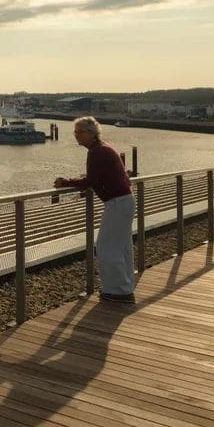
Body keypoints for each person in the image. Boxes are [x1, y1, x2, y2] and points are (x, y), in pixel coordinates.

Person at [54, 116, 135, 302]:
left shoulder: (97, 152)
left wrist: (65, 182)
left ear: (91, 133)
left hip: (117, 203)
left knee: (106, 248)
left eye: (80, 132)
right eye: (75, 132)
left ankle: (117, 291)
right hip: (124, 200)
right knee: (122, 248)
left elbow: (92, 181)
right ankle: (125, 288)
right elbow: (103, 177)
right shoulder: (104, 148)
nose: (76, 136)